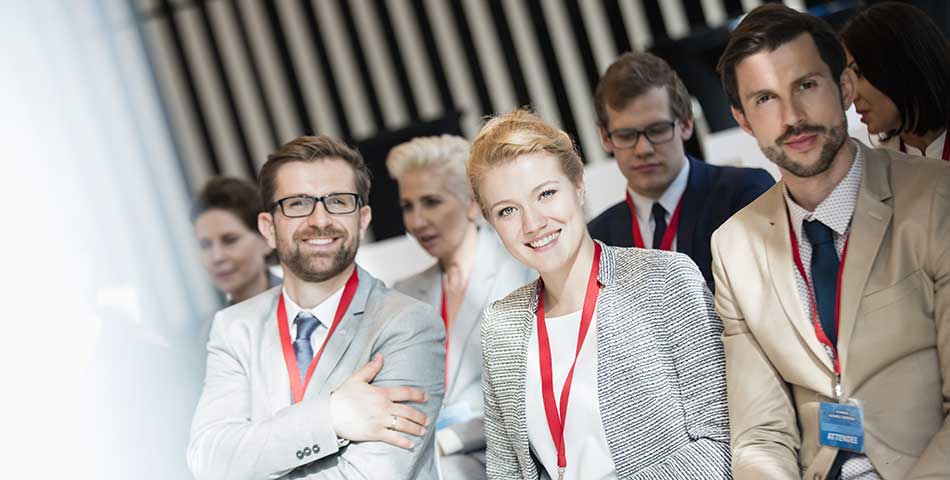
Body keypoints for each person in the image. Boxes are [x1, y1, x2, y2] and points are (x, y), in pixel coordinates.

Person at [714, 4, 950, 479]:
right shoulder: (734, 246)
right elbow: (760, 436)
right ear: (742, 118)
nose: (792, 117)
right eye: (764, 99)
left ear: (843, 87)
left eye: (806, 85)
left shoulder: (935, 196)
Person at [468, 109, 730, 479]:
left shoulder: (664, 281)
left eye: (546, 194)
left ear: (578, 185)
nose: (532, 223)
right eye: (507, 210)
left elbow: (720, 443)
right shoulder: (501, 325)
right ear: (490, 222)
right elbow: (505, 470)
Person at [187, 136, 446, 479]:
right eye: (298, 204)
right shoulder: (235, 327)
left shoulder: (408, 324)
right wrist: (330, 417)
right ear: (268, 227)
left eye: (338, 202)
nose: (320, 219)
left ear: (363, 218)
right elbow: (209, 461)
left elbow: (372, 475)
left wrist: (252, 458)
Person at [387, 135, 535, 480]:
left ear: (471, 203)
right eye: (408, 206)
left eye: (431, 202)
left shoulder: (522, 269)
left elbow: (532, 392)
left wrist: (448, 440)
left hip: (513, 455)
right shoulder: (403, 294)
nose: (417, 221)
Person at [587, 51, 774, 292]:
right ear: (605, 137)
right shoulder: (596, 241)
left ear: (686, 124)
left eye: (657, 129)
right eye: (626, 135)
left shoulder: (744, 194)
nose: (643, 149)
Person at [839, 1, 950, 161]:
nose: (852, 95)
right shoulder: (879, 169)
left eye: (859, 73)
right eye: (846, 79)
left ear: (902, 63)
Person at [193, 176, 279, 305]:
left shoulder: (310, 307)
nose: (217, 257)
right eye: (205, 245)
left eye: (230, 240)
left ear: (266, 238)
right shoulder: (215, 324)